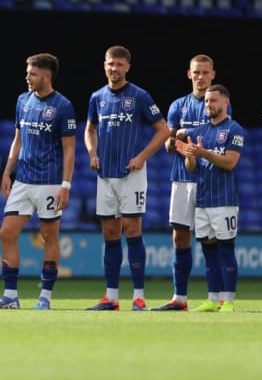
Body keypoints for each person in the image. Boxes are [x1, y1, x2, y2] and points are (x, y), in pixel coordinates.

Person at [0, 53, 76, 310]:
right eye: (27, 72)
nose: (27, 77)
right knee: (6, 232)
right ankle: (10, 297)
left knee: (49, 237)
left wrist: (65, 186)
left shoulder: (62, 106)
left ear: (47, 76)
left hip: (49, 182)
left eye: (32, 73)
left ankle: (45, 297)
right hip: (23, 180)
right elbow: (18, 140)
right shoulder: (22, 101)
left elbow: (69, 150)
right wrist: (6, 171)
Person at [84, 45, 170, 311]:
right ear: (105, 65)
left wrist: (142, 156)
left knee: (132, 230)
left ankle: (139, 296)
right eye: (111, 64)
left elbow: (163, 130)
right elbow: (89, 129)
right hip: (105, 174)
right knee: (110, 233)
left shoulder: (139, 96)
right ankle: (111, 297)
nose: (115, 69)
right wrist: (92, 153)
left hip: (131, 174)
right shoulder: (97, 97)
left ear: (128, 68)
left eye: (120, 65)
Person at [152, 54, 230, 311]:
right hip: (183, 179)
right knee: (180, 236)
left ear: (213, 75)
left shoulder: (218, 104)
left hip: (210, 181)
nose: (201, 77)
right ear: (189, 74)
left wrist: (193, 142)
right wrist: (180, 143)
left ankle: (217, 298)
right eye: (196, 72)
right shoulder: (178, 106)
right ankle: (180, 299)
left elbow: (222, 139)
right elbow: (166, 143)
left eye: (205, 72)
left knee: (212, 239)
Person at [177, 84, 243, 312]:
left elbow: (230, 162)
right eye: (206, 101)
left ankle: (228, 301)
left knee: (226, 250)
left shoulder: (234, 129)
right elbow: (192, 167)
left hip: (224, 200)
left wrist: (203, 152)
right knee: (208, 251)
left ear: (225, 102)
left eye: (213, 101)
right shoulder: (198, 132)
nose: (208, 105)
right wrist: (190, 155)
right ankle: (213, 300)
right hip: (203, 200)